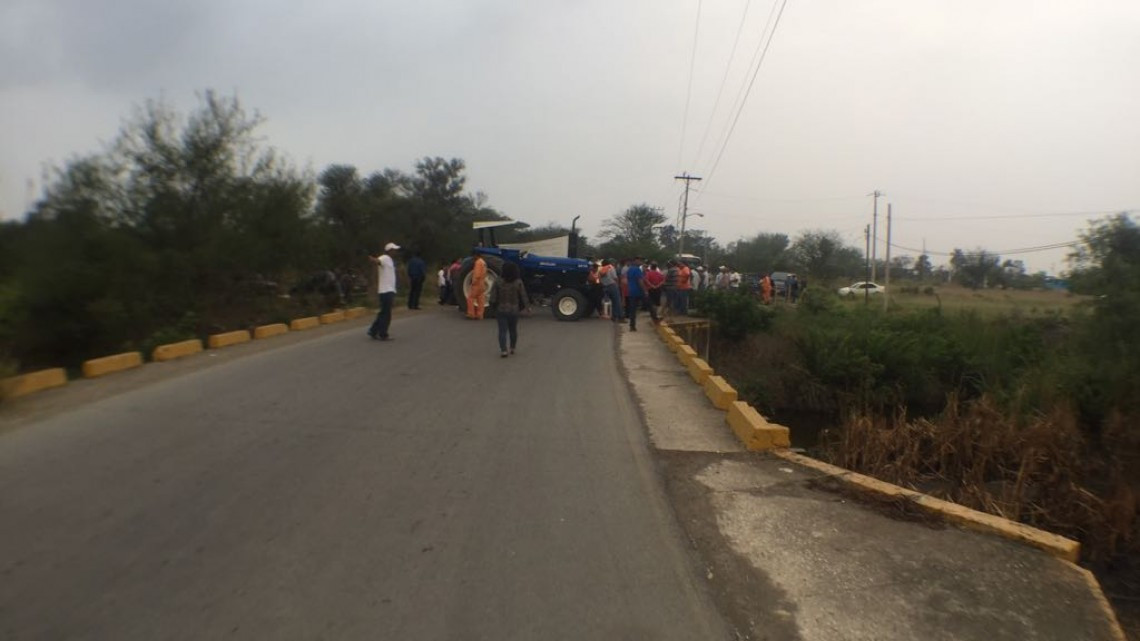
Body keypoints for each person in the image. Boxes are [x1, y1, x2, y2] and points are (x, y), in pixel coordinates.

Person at [494, 261, 529, 357]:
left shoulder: (498, 281)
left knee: (502, 331)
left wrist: (493, 306)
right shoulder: (518, 282)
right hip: (514, 310)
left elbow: (493, 297)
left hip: (501, 309)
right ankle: (512, 348)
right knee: (513, 330)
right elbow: (523, 295)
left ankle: (503, 350)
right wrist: (527, 307)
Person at [367, 242, 400, 341]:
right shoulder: (385, 258)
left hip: (389, 289)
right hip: (386, 290)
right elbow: (378, 261)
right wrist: (373, 259)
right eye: (394, 250)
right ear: (389, 250)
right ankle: (383, 333)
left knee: (384, 312)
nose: (396, 252)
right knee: (386, 314)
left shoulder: (390, 260)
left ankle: (373, 330)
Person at [625, 257, 649, 331]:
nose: (641, 262)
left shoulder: (629, 269)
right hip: (638, 291)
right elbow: (640, 281)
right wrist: (645, 290)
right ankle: (655, 318)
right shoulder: (637, 269)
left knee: (633, 310)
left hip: (631, 291)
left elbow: (627, 279)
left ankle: (632, 326)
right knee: (649, 304)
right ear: (635, 261)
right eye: (640, 261)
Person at [599, 258, 623, 323]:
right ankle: (618, 317)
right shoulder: (611, 268)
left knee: (606, 302)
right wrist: (618, 285)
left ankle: (607, 314)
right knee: (617, 301)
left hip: (605, 286)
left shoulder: (601, 270)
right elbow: (615, 277)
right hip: (612, 285)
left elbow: (600, 279)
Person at [466, 250, 488, 320]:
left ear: (476, 255)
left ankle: (471, 314)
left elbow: (477, 274)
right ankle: (480, 315)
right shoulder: (483, 262)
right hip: (482, 283)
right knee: (481, 300)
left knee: (470, 298)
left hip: (477, 283)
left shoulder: (478, 262)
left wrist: (473, 282)